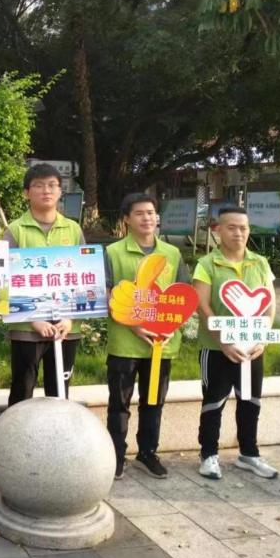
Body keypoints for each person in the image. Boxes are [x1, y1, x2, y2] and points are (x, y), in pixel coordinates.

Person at [104, 193, 190, 480]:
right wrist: (134, 326)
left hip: (160, 344)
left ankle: (148, 453)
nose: (147, 218)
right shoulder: (113, 252)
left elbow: (183, 294)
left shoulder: (172, 254)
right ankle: (115, 456)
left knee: (154, 401)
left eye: (151, 213)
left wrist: (171, 326)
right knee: (119, 404)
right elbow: (107, 294)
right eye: (140, 213)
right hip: (125, 343)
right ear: (126, 219)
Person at [193, 206, 279, 481]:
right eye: (231, 227)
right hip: (217, 349)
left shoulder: (260, 263)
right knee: (214, 402)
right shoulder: (207, 264)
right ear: (218, 230)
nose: (238, 233)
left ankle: (249, 454)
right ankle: (208, 455)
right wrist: (224, 342)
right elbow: (202, 307)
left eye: (243, 228)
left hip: (251, 349)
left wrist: (261, 339)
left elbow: (270, 304)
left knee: (250, 400)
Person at [3, 162, 85, 404]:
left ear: (60, 191)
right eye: (38, 186)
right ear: (26, 193)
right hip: (26, 329)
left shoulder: (73, 229)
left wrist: (69, 319)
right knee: (22, 391)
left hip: (65, 330)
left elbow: (84, 277)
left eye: (52, 185)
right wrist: (34, 319)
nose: (46, 191)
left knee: (59, 394)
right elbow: (4, 279)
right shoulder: (15, 230)